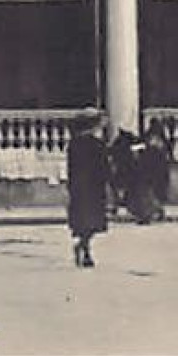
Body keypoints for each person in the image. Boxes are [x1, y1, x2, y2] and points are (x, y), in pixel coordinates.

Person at [66, 112, 110, 268]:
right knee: (92, 221)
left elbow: (71, 167)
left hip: (79, 186)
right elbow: (104, 167)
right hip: (94, 186)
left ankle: (84, 246)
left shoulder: (74, 143)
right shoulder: (97, 144)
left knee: (83, 220)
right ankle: (85, 248)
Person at [127, 122, 169, 224]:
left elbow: (135, 151)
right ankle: (150, 214)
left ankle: (147, 215)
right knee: (150, 195)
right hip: (152, 173)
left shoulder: (147, 143)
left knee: (147, 195)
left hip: (146, 173)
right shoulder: (160, 144)